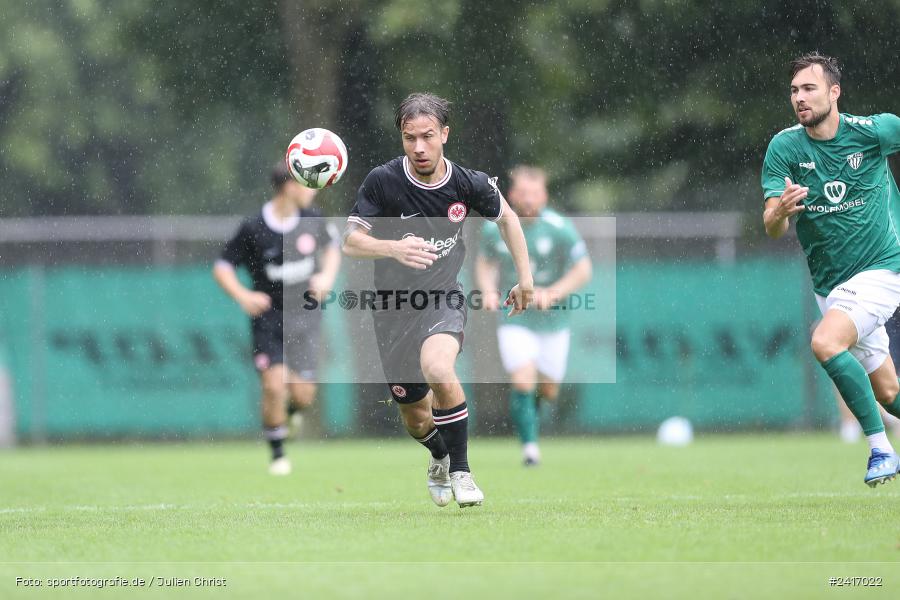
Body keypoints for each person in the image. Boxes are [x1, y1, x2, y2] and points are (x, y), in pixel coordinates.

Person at [342, 92, 533, 507]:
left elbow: (507, 218)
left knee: (438, 367)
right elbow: (351, 241)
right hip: (392, 309)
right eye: (410, 138)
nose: (419, 147)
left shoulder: (467, 183)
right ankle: (439, 455)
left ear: (444, 134)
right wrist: (393, 248)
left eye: (427, 136)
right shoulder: (383, 181)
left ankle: (462, 472)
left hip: (443, 297)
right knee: (415, 417)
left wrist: (525, 278)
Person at [761, 52, 900, 486]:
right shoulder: (784, 147)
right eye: (794, 91)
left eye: (809, 88)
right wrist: (780, 211)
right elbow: (771, 227)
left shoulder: (874, 131)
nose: (799, 98)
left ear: (834, 92)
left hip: (882, 270)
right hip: (830, 287)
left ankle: (881, 450)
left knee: (824, 342)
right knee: (889, 393)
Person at [213, 162, 341, 475]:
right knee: (274, 386)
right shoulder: (253, 227)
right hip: (269, 320)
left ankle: (292, 413)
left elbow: (333, 249)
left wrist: (326, 277)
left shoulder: (313, 219)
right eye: (307, 184)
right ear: (289, 187)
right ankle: (278, 455)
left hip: (306, 318)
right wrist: (243, 295)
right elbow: (223, 267)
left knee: (303, 395)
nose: (313, 190)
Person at [475, 166, 591, 466]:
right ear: (512, 195)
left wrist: (553, 293)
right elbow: (486, 263)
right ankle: (530, 448)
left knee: (548, 390)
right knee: (523, 379)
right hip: (516, 318)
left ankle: (530, 422)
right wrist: (488, 290)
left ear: (545, 196)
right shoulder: (494, 227)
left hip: (554, 321)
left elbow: (583, 269)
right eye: (523, 194)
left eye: (535, 194)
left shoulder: (560, 228)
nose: (528, 200)